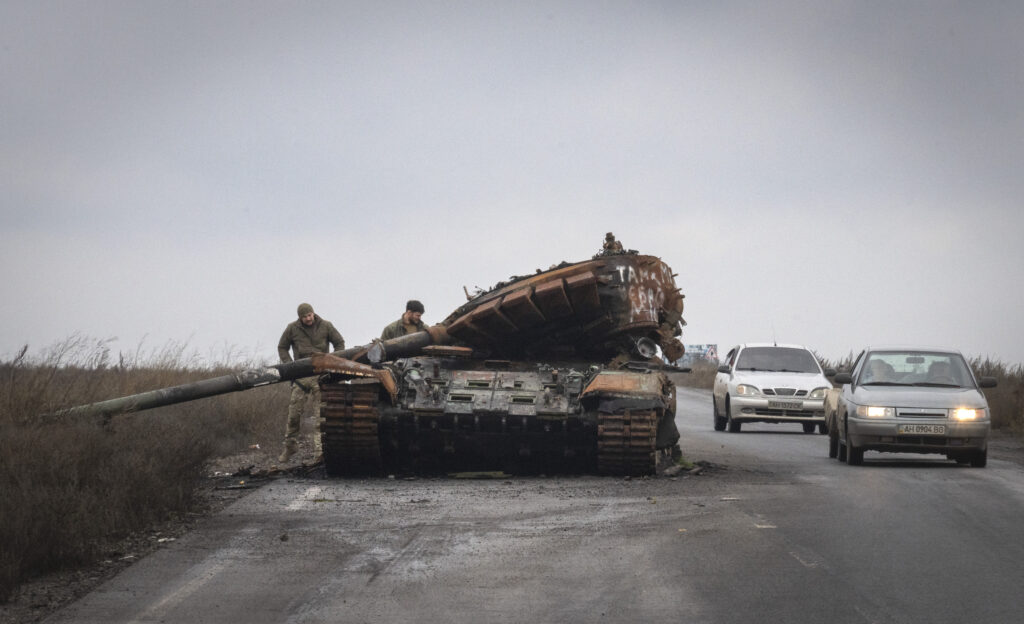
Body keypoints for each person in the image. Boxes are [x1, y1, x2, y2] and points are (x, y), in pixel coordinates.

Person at [277, 302, 345, 464]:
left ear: (314, 313)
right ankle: (290, 446)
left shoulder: (326, 326)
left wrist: (333, 363)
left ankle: (319, 453)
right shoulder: (292, 328)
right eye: (304, 316)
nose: (308, 319)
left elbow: (339, 343)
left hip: (321, 375)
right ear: (300, 317)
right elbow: (282, 347)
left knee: (319, 416)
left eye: (310, 315)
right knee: (294, 414)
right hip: (300, 375)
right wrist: (290, 366)